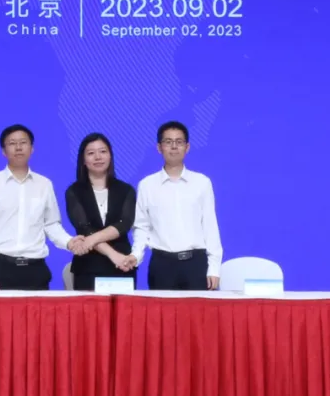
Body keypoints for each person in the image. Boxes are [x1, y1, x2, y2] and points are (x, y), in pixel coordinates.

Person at [0, 125, 86, 291]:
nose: (18, 147)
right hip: (0, 269)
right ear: (3, 151)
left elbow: (51, 225)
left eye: (23, 142)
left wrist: (69, 242)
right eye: (12, 143)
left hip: (36, 269)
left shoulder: (44, 184)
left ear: (32, 148)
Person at [130, 121, 223, 291]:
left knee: (198, 309)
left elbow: (210, 226)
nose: (174, 147)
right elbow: (142, 226)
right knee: (161, 310)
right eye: (168, 142)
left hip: (196, 264)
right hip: (162, 265)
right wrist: (136, 255)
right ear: (159, 147)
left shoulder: (202, 183)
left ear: (187, 147)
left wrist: (214, 268)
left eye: (179, 142)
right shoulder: (147, 185)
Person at [64, 133, 138, 291]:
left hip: (123, 265)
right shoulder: (74, 191)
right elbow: (84, 228)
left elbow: (124, 224)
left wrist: (91, 240)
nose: (98, 157)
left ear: (110, 155)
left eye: (103, 151)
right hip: (88, 267)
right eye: (91, 153)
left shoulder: (126, 190)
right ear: (83, 159)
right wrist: (113, 255)